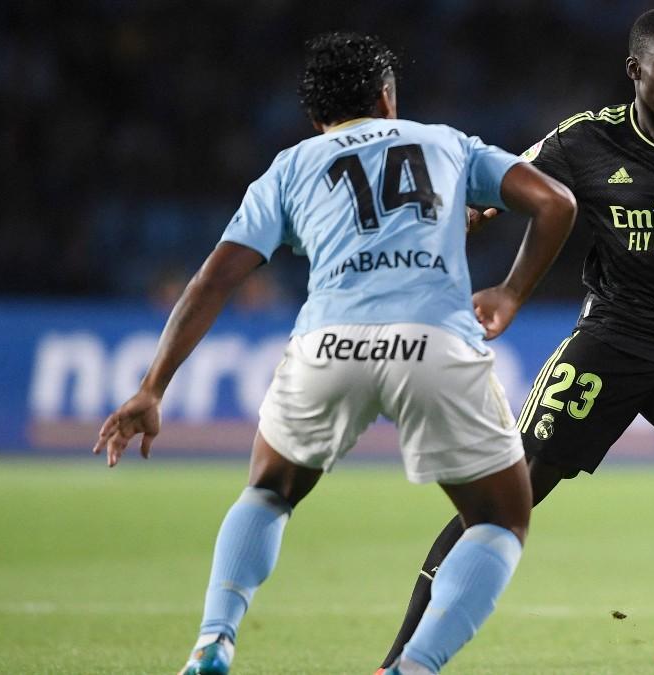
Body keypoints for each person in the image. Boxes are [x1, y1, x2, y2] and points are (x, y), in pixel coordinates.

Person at [92, 32, 575, 675]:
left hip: (328, 344)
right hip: (434, 342)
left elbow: (216, 277)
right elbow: (555, 202)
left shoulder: (293, 163)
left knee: (268, 491)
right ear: (386, 97)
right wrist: (511, 293)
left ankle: (214, 640)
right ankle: (415, 666)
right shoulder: (446, 141)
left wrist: (153, 386)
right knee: (501, 520)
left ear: (318, 117)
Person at [376, 8, 654, 672]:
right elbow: (498, 187)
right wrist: (467, 215)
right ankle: (399, 659)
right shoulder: (582, 139)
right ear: (636, 70)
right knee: (503, 499)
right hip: (607, 345)